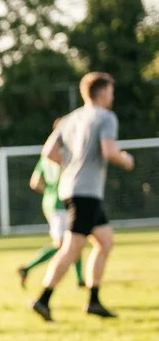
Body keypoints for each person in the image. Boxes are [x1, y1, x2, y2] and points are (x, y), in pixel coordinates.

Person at [31, 72, 134, 321]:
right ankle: (43, 299)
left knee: (105, 241)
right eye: (110, 91)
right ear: (101, 93)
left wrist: (70, 165)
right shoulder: (106, 117)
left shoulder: (70, 118)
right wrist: (126, 159)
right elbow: (109, 151)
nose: (112, 95)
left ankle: (93, 300)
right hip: (85, 191)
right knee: (72, 248)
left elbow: (49, 151)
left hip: (73, 188)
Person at [17, 118, 83, 289]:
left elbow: (35, 182)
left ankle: (80, 279)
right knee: (64, 243)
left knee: (76, 238)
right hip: (61, 203)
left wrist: (49, 191)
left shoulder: (46, 155)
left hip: (50, 201)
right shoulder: (65, 153)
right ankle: (26, 268)